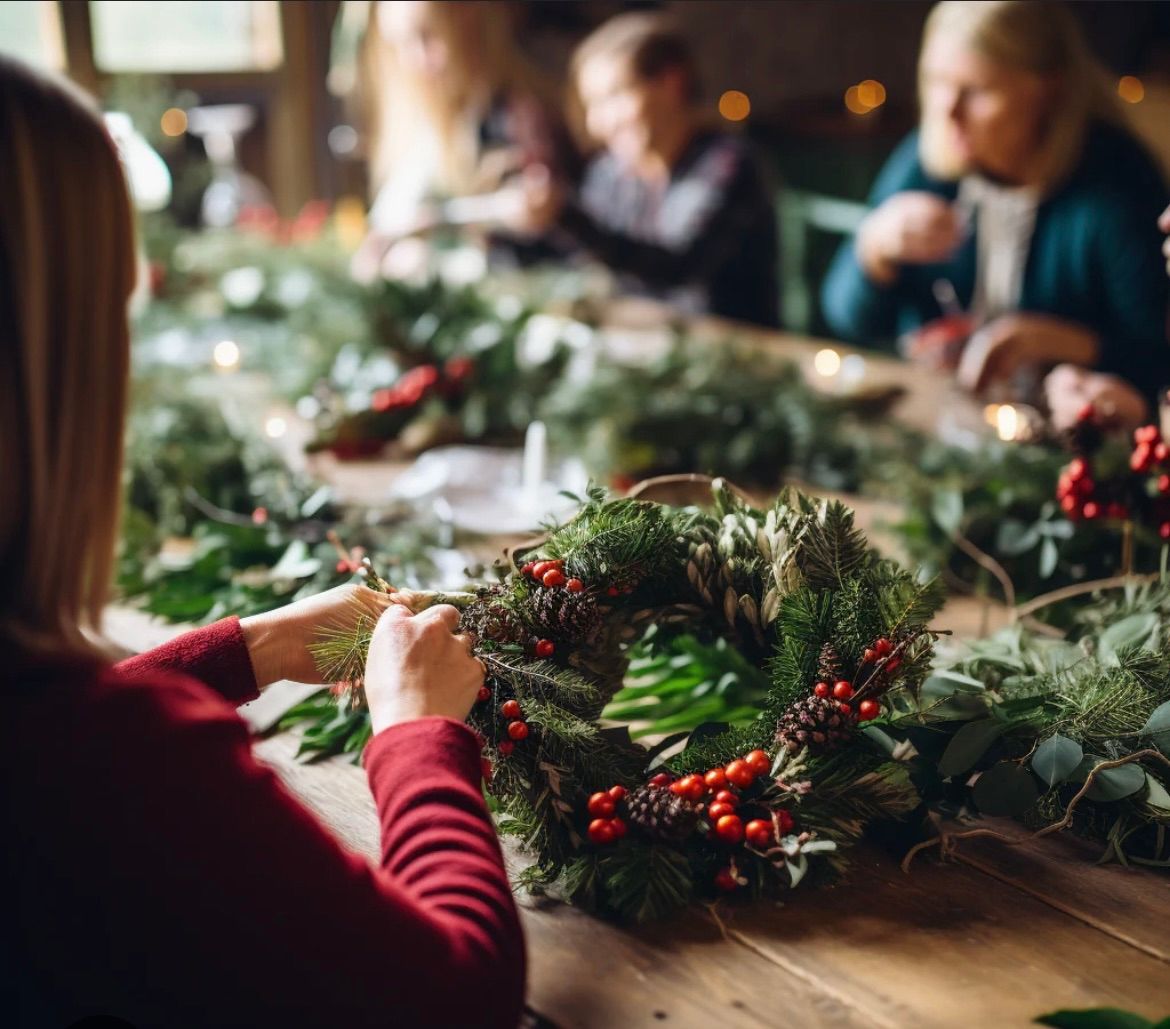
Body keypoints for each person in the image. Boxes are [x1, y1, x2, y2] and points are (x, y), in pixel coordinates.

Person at [0, 57, 524, 1028]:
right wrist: (416, 735)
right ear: (54, 365)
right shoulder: (124, 765)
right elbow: (459, 996)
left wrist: (250, 649)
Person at [821, 0, 1170, 407]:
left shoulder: (1116, 186)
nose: (947, 110)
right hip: (939, 418)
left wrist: (1067, 344)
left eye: (977, 91)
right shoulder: (925, 163)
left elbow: (1157, 363)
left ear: (1047, 88)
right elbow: (844, 318)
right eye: (936, 82)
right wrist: (874, 249)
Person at [510, 11, 780, 328]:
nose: (598, 123)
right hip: (637, 344)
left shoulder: (728, 165)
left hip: (734, 354)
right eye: (592, 105)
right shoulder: (610, 172)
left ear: (671, 82)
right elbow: (577, 261)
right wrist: (522, 223)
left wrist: (565, 218)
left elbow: (679, 268)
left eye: (614, 97)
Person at [351, 0, 575, 279]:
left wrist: (434, 220)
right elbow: (390, 218)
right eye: (400, 45)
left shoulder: (514, 111)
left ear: (468, 23)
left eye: (428, 36)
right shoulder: (428, 122)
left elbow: (536, 206)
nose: (415, 59)